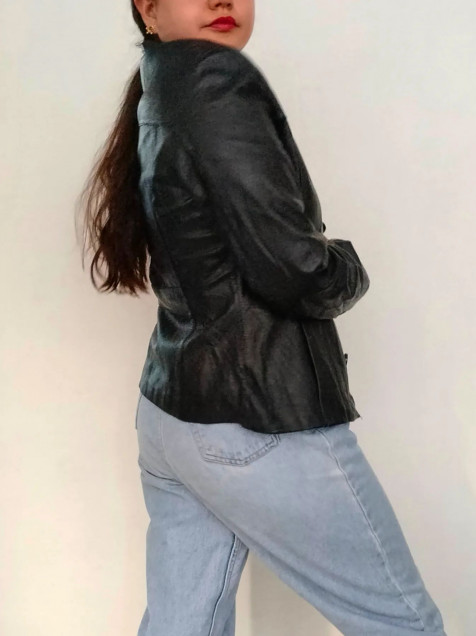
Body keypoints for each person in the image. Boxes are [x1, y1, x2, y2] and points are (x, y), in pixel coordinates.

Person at [76, 1, 447, 634]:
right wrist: (348, 265)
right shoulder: (216, 81)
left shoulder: (166, 81)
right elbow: (294, 269)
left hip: (173, 415)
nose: (223, 0)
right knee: (403, 625)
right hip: (255, 420)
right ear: (147, 6)